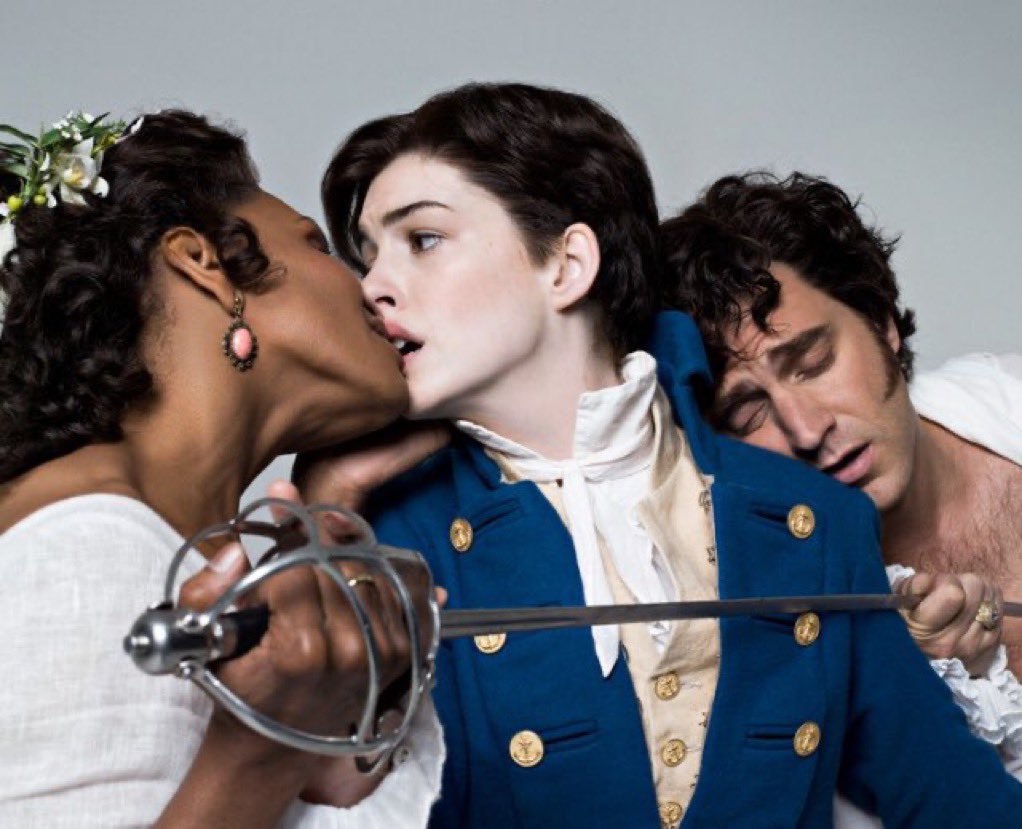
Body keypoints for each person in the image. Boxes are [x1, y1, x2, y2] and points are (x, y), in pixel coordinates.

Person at [299, 82, 1022, 828]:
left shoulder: (816, 519)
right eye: (368, 257)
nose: (373, 289)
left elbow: (960, 804)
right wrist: (328, 511)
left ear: (566, 265)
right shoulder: (386, 534)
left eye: (422, 240)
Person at [0, 110, 443, 828]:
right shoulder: (80, 547)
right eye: (316, 243)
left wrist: (329, 503)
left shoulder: (166, 536)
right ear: (202, 262)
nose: (370, 288)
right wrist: (261, 748)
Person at [659, 171, 1022, 823]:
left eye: (813, 362)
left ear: (882, 324)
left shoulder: (1009, 402)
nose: (806, 428)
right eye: (747, 411)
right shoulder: (782, 631)